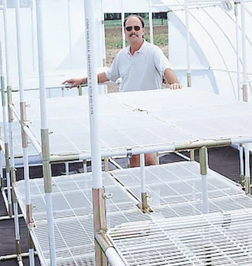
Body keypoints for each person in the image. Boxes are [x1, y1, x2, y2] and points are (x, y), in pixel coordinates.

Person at [64, 14, 181, 167]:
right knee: (133, 155)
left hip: (148, 111)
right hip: (128, 111)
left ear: (143, 31)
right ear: (125, 32)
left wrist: (175, 84)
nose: (133, 31)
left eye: (136, 28)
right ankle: (135, 187)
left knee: (148, 154)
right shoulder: (122, 55)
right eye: (129, 28)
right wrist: (83, 80)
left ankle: (154, 187)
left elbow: (166, 69)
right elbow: (109, 75)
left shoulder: (153, 52)